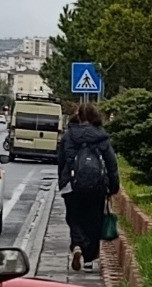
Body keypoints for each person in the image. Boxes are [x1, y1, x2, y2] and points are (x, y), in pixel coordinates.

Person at [59, 103, 120, 273]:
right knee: (94, 220)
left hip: (71, 184)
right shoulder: (102, 137)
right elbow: (111, 164)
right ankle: (88, 259)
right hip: (97, 185)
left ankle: (77, 244)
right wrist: (113, 186)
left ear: (77, 116)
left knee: (73, 217)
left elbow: (61, 160)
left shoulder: (69, 136)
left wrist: (62, 181)